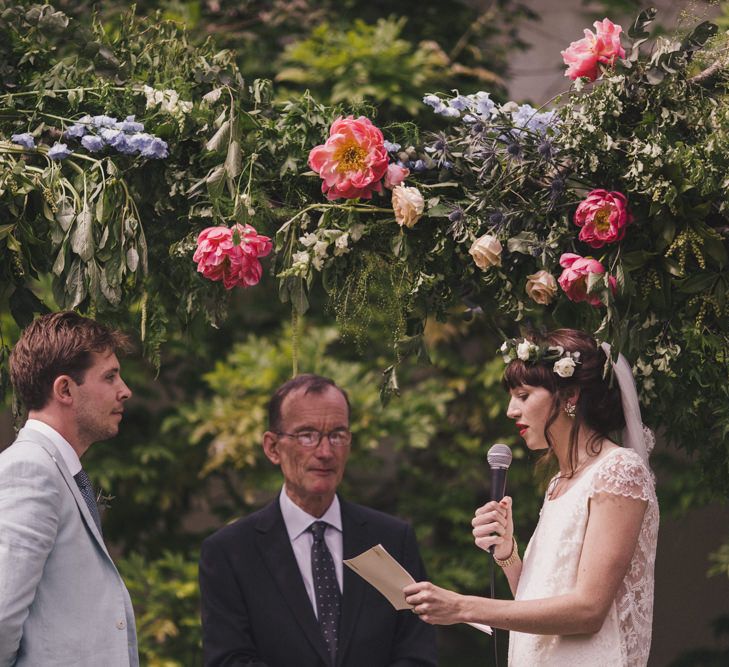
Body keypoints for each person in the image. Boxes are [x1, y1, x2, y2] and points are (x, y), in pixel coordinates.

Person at [404, 329, 659, 666]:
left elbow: (588, 610)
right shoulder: (558, 483)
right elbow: (541, 599)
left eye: (523, 395)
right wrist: (508, 552)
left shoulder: (619, 470)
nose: (511, 410)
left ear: (569, 396)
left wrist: (462, 606)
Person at [199, 373, 437, 667]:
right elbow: (229, 659)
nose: (325, 452)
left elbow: (416, 654)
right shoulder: (230, 552)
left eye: (337, 435)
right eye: (307, 435)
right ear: (273, 448)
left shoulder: (392, 539)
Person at [0, 311, 139, 667]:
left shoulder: (56, 468)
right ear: (64, 389)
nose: (125, 390)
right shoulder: (30, 469)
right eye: (110, 377)